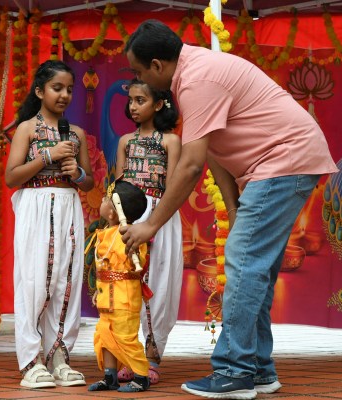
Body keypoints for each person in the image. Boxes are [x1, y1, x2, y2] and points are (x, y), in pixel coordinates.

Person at [121, 20, 339, 400]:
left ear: (157, 65)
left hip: (282, 162)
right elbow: (214, 151)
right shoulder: (192, 74)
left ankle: (234, 371)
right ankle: (258, 369)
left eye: (139, 72)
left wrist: (150, 225)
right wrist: (234, 205)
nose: (138, 80)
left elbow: (191, 166)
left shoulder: (197, 80)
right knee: (256, 270)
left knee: (243, 263)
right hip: (284, 164)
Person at [5, 60, 94, 389]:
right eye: (57, 88)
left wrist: (77, 173)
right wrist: (48, 156)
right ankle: (31, 362)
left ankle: (59, 357)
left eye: (69, 89)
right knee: (34, 283)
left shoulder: (77, 134)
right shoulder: (27, 129)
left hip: (69, 206)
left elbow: (89, 183)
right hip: (36, 207)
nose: (65, 95)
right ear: (40, 91)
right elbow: (11, 177)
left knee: (65, 282)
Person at [114, 78, 183, 384]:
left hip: (161, 215)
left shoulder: (170, 141)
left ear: (158, 104)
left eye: (140, 100)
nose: (133, 106)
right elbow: (119, 187)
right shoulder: (125, 142)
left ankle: (153, 357)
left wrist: (154, 220)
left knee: (159, 285)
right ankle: (129, 356)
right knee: (127, 285)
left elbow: (174, 187)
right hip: (129, 216)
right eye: (130, 100)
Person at [88, 180, 151, 393]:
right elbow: (104, 267)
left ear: (113, 212)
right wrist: (99, 290)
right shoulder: (106, 232)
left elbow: (136, 263)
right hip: (107, 297)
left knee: (126, 338)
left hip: (124, 299)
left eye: (106, 199)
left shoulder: (131, 234)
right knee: (105, 336)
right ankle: (110, 377)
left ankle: (141, 377)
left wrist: (133, 252)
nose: (102, 200)